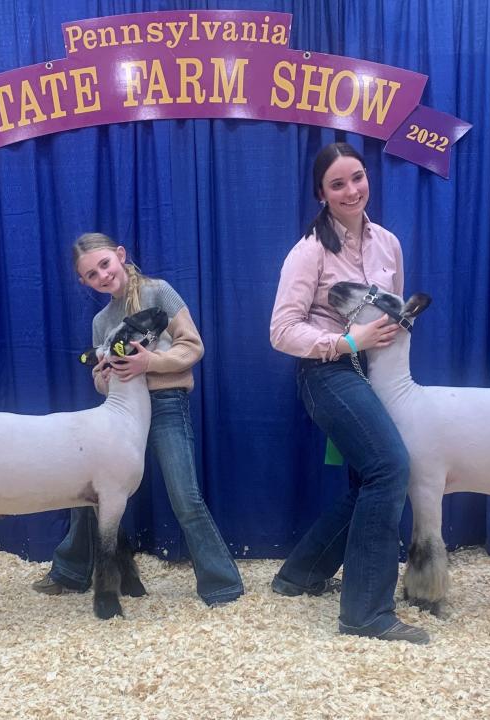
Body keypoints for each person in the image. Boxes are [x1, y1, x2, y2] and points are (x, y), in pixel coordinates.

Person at [268, 142, 429, 644]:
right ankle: (365, 612)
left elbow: (394, 312)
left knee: (369, 480)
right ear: (321, 193)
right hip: (327, 374)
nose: (351, 190)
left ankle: (301, 573)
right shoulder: (309, 251)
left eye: (357, 177)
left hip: (378, 373)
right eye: (337, 184)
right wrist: (346, 342)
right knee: (390, 469)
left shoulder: (388, 244)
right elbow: (280, 330)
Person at [32, 232, 244, 607]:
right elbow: (101, 382)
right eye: (92, 275)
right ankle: (69, 570)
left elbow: (193, 344)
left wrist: (151, 363)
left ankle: (221, 583)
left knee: (184, 494)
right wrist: (104, 374)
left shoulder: (158, 292)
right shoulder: (101, 320)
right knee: (84, 490)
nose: (102, 276)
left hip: (164, 404)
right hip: (117, 416)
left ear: (120, 255)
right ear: (84, 282)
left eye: (104, 265)